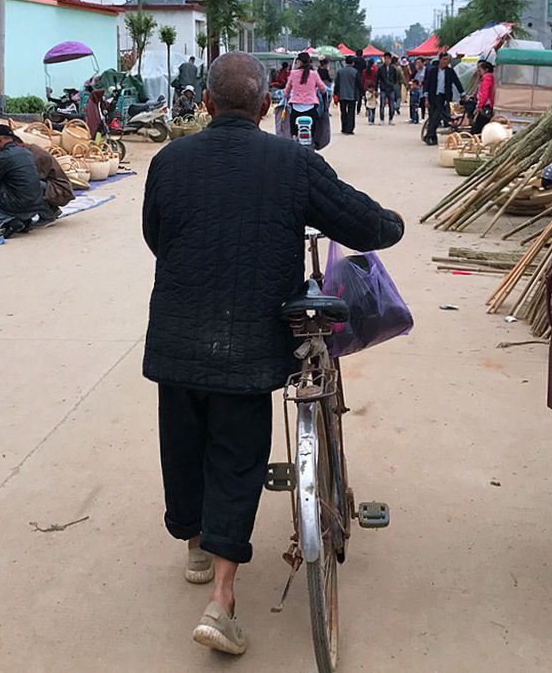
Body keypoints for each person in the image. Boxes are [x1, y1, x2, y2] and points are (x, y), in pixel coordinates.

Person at [142, 51, 404, 656]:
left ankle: (195, 549)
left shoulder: (168, 160)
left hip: (178, 334)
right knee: (237, 457)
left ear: (205, 104)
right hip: (252, 341)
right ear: (268, 106)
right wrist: (388, 225)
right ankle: (223, 601)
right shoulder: (292, 161)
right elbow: (358, 221)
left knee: (183, 442)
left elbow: (157, 237)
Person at [15, 132, 74, 223]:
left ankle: (47, 215)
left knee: (27, 186)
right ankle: (53, 209)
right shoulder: (29, 150)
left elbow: (30, 178)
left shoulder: (33, 155)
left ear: (18, 144)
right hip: (52, 186)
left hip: (60, 189)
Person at [283, 52, 327, 147]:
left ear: (298, 62)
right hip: (311, 108)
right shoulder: (314, 74)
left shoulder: (293, 73)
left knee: (292, 127)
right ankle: (313, 141)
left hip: (296, 108)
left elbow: (286, 91)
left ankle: (294, 137)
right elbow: (323, 89)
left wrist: (285, 95)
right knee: (315, 125)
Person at [423, 51, 464, 145]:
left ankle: (429, 136)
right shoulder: (433, 71)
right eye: (444, 59)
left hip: (443, 98)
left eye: (447, 60)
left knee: (437, 116)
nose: (446, 61)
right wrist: (426, 98)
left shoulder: (450, 71)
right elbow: (427, 85)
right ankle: (432, 138)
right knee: (433, 117)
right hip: (432, 97)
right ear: (440, 60)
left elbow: (457, 82)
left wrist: (463, 94)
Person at [334, 54, 361, 134]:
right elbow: (359, 84)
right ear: (352, 63)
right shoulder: (355, 72)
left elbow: (337, 84)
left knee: (343, 112)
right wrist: (361, 92)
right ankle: (350, 129)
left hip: (342, 95)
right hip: (352, 95)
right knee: (351, 112)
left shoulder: (340, 71)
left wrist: (335, 93)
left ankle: (344, 128)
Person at [470, 59, 496, 135]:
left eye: (480, 68)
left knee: (478, 128)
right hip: (486, 105)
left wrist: (479, 106)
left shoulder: (487, 79)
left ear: (486, 70)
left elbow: (484, 94)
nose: (478, 70)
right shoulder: (488, 78)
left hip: (485, 106)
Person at [376, 53, 400, 125]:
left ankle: (391, 119)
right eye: (385, 58)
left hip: (391, 89)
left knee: (391, 105)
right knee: (382, 105)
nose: (387, 60)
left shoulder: (393, 68)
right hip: (383, 88)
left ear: (390, 59)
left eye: (388, 59)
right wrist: (376, 89)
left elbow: (395, 79)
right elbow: (377, 79)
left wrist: (393, 85)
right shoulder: (380, 68)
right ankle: (382, 119)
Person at [409, 58, 425, 124]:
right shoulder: (416, 70)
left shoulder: (425, 70)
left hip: (422, 89)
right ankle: (412, 117)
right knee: (412, 104)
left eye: (419, 62)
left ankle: (422, 117)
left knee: (421, 103)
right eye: (417, 63)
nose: (418, 64)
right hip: (415, 88)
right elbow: (412, 77)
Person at [361, 58, 378, 125]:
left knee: (367, 99)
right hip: (372, 87)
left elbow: (362, 79)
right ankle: (371, 115)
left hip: (366, 86)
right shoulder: (374, 71)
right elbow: (375, 79)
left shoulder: (364, 71)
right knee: (372, 100)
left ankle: (367, 109)